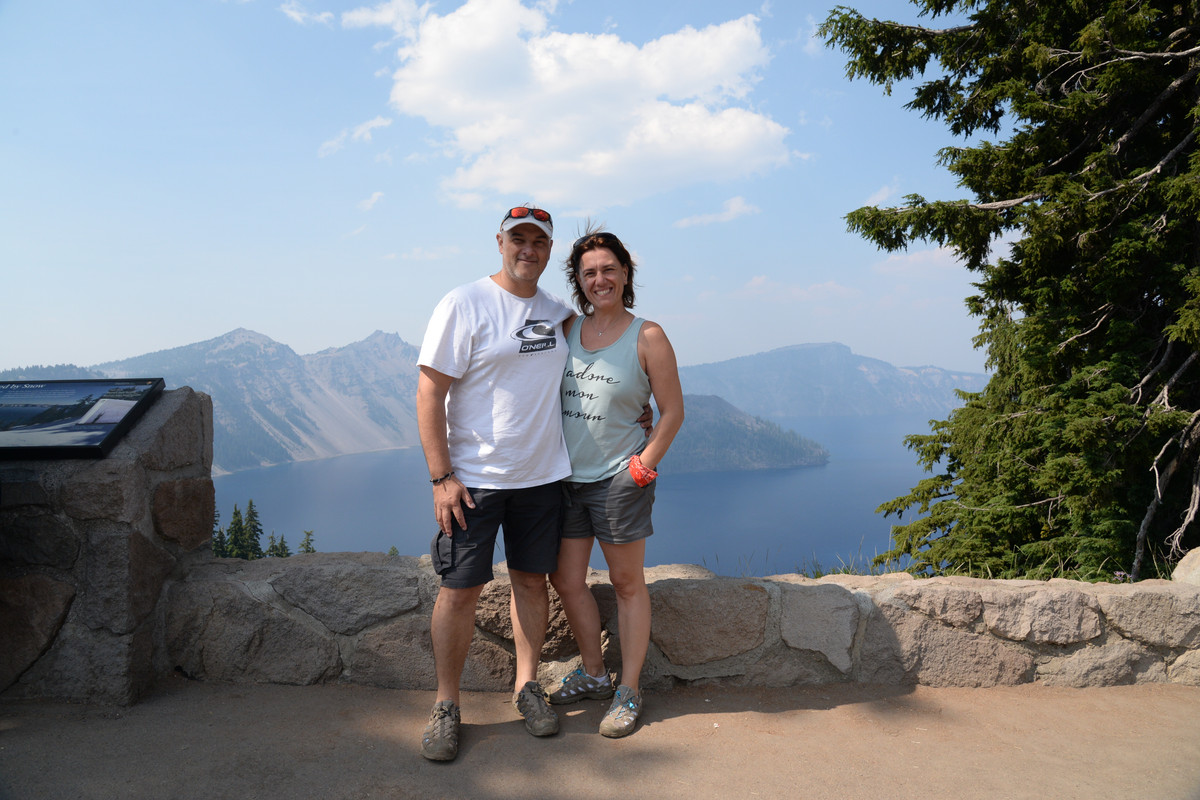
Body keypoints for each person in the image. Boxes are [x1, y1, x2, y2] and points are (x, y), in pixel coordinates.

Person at [416, 205, 573, 762]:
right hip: (475, 482)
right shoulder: (464, 303)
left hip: (542, 478)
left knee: (533, 584)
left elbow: (597, 371)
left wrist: (641, 412)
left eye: (539, 241)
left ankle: (527, 688)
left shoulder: (558, 312)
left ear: (550, 250)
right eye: (518, 239)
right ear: (500, 243)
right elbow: (429, 391)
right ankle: (446, 704)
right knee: (459, 591)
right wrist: (442, 477)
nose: (528, 249)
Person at [545, 228, 684, 738]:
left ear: (625, 274)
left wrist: (641, 467)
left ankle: (628, 689)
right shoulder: (567, 331)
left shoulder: (647, 335)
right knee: (565, 579)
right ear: (578, 283)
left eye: (608, 269)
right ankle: (595, 673)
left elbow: (671, 412)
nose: (599, 279)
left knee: (627, 584)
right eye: (589, 273)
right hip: (564, 479)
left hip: (618, 479)